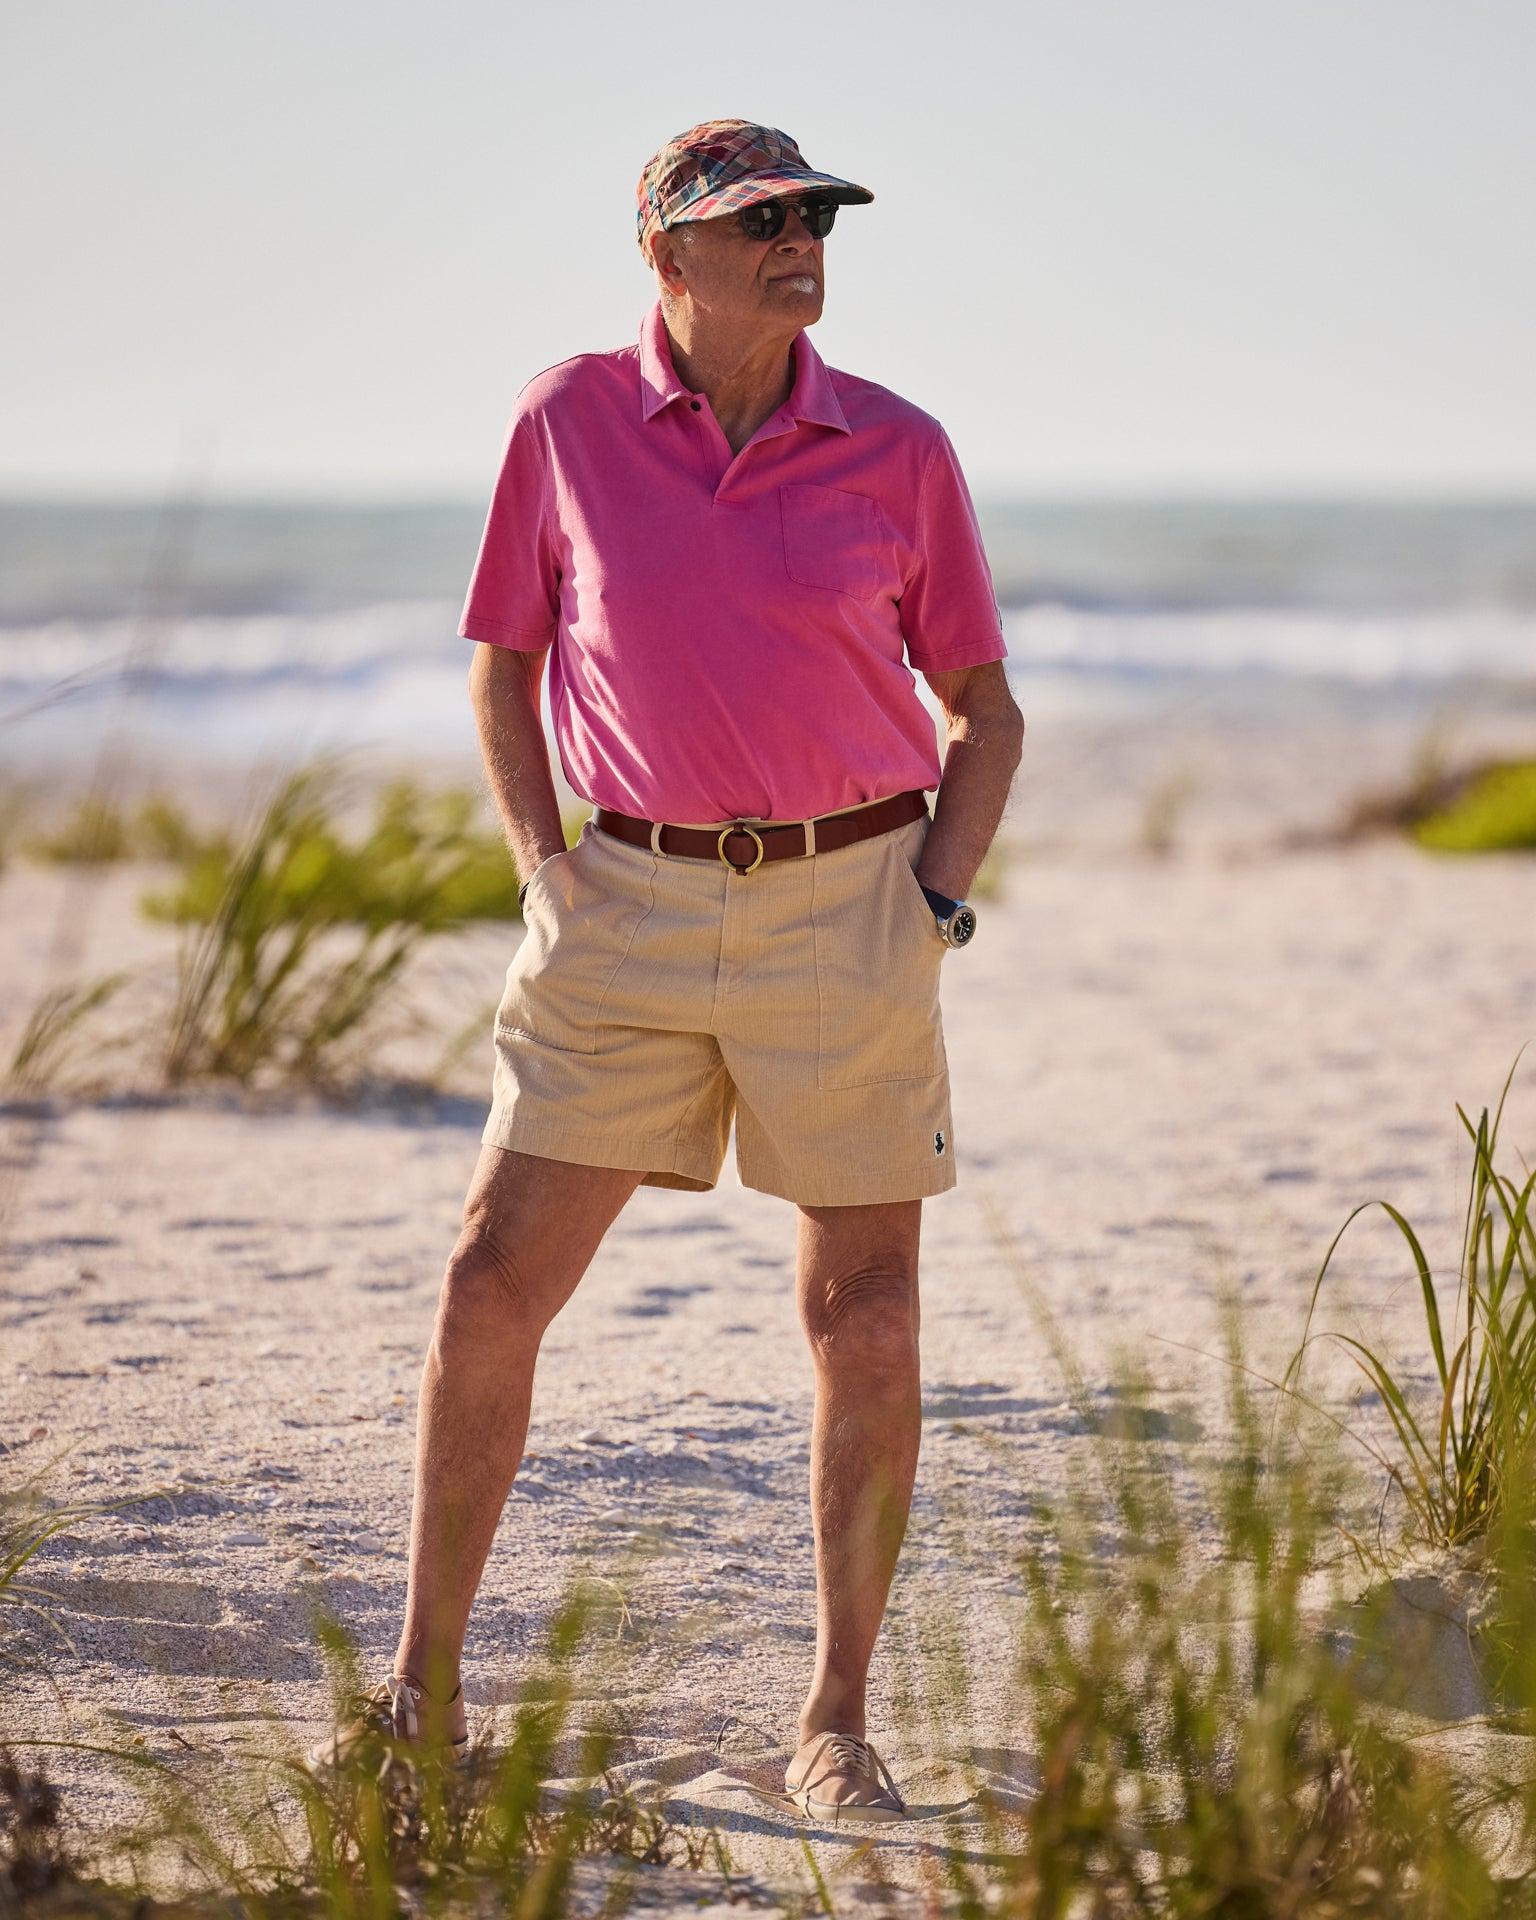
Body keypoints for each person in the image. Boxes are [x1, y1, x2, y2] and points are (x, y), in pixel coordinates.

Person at [309, 118, 1025, 1822]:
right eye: (757, 219)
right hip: (620, 907)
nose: (799, 239)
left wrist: (928, 899)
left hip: (851, 910)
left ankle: (836, 1719)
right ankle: (423, 1692)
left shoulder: (902, 449)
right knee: (491, 1283)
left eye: (813, 215)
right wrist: (547, 868)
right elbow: (506, 666)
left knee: (867, 1318)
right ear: (668, 255)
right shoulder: (566, 420)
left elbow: (984, 712)